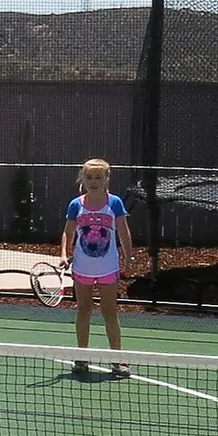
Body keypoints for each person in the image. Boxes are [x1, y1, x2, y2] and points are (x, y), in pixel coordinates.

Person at [59, 158, 136, 377]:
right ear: (83, 179)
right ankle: (82, 357)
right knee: (84, 310)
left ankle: (117, 359)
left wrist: (129, 257)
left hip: (108, 267)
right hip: (82, 268)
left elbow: (123, 230)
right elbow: (68, 232)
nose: (94, 181)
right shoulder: (76, 205)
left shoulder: (115, 203)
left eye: (98, 177)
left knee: (109, 311)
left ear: (106, 179)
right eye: (89, 177)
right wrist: (64, 254)